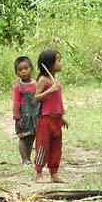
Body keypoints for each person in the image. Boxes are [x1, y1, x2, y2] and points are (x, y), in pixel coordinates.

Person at [34, 49, 68, 183]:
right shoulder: (43, 80)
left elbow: (56, 101)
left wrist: (62, 117)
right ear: (49, 63)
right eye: (58, 60)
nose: (60, 63)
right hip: (45, 119)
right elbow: (36, 97)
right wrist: (50, 89)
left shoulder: (55, 79)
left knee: (56, 147)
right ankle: (38, 173)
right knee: (43, 146)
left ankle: (54, 173)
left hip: (56, 119)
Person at [12, 56, 39, 166]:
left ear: (31, 68)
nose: (23, 71)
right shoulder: (18, 87)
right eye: (20, 70)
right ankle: (25, 159)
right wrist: (17, 117)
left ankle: (29, 158)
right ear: (16, 73)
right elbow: (16, 103)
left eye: (26, 68)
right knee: (24, 137)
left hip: (35, 116)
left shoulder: (37, 84)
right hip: (23, 117)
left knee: (32, 137)